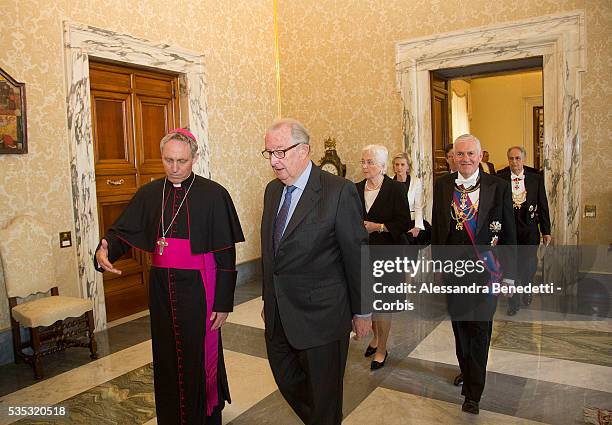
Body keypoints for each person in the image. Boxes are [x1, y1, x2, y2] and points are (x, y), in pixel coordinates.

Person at [94, 128, 244, 425]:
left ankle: (204, 417)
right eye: (168, 160)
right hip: (162, 288)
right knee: (166, 355)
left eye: (182, 161)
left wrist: (223, 302)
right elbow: (122, 233)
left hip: (200, 288)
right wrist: (104, 253)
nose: (175, 168)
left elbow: (226, 254)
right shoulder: (150, 193)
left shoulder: (214, 194)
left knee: (198, 356)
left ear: (195, 158)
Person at [260, 118, 371, 424]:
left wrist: (362, 311)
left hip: (322, 318)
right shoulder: (272, 192)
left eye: (280, 152)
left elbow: (357, 255)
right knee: (288, 381)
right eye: (269, 153)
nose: (274, 161)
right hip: (279, 314)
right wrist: (268, 300)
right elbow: (271, 254)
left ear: (304, 150)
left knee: (324, 399)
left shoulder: (338, 191)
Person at [431, 134, 516, 415]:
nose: (465, 159)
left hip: (487, 273)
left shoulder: (498, 186)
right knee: (460, 330)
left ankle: (473, 393)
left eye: (470, 154)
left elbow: (509, 232)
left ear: (481, 157)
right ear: (453, 157)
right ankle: (467, 371)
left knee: (479, 330)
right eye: (460, 154)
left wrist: (511, 275)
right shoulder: (442, 186)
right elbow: (440, 230)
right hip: (454, 273)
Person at [356, 146, 411, 370]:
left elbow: (404, 222)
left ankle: (381, 349)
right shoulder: (355, 188)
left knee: (383, 303)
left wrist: (378, 227)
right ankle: (376, 337)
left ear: (382, 165)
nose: (364, 166)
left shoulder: (395, 189)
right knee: (369, 300)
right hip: (362, 254)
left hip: (388, 253)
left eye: (369, 162)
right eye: (362, 161)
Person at [497, 146, 551, 315]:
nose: (514, 162)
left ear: (524, 159)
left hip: (529, 231)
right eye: (511, 159)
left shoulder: (535, 179)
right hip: (508, 232)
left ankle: (527, 288)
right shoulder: (500, 179)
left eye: (518, 158)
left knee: (528, 265)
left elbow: (543, 206)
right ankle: (513, 302)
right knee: (509, 266)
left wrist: (546, 231)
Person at [392, 151, 430, 245]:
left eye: (402, 164)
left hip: (411, 224)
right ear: (393, 166)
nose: (399, 167)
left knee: (410, 256)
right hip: (394, 224)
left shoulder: (415, 182)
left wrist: (417, 227)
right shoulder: (389, 182)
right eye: (397, 164)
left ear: (408, 166)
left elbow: (418, 206)